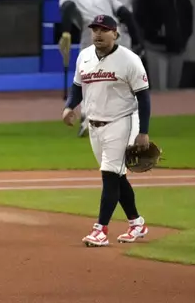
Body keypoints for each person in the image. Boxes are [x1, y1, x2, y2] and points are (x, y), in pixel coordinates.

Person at [62, 14, 151, 247]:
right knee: (117, 177)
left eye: (103, 29)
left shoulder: (129, 60)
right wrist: (69, 106)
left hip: (121, 122)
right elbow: (77, 87)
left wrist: (143, 131)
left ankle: (100, 230)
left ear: (115, 33)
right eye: (95, 29)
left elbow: (144, 97)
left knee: (109, 174)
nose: (98, 34)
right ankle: (137, 223)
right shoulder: (84, 56)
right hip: (94, 125)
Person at [58, 0, 142, 137]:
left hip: (92, 33)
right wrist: (137, 40)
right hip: (116, 34)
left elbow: (68, 9)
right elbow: (126, 14)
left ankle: (90, 120)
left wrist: (66, 32)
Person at [135, 0, 193, 91]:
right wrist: (153, 32)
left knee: (174, 89)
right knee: (159, 89)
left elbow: (188, 14)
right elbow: (140, 14)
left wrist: (184, 37)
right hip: (156, 46)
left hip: (177, 47)